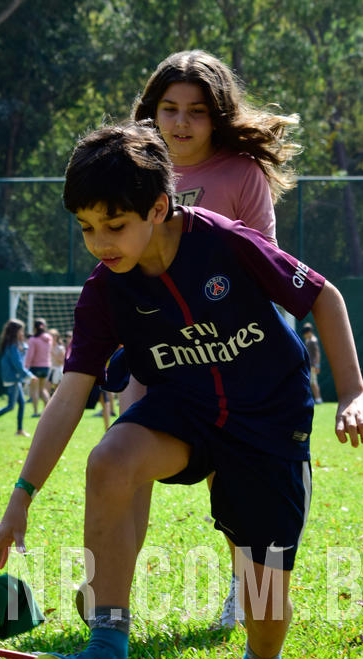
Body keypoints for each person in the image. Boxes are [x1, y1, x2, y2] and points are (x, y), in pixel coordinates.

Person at [0, 122, 363, 659]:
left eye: (114, 225)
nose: (99, 242)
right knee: (109, 460)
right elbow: (68, 396)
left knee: (264, 599)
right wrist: (20, 499)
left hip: (267, 420)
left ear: (159, 207)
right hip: (183, 410)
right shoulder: (103, 292)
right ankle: (107, 652)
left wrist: (354, 394)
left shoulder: (226, 244)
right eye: (86, 227)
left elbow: (325, 297)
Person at [123, 49, 301, 629]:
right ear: (151, 112)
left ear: (217, 116)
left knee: (235, 475)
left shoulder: (240, 175)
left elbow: (266, 269)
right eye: (169, 108)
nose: (180, 123)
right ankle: (112, 591)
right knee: (120, 457)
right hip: (156, 346)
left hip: (231, 352)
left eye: (196, 111)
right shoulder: (132, 170)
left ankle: (239, 583)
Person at [0, 319, 36, 437]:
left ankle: (19, 430)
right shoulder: (12, 346)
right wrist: (29, 375)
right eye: (21, 331)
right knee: (11, 406)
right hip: (13, 378)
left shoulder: (12, 344)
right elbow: (18, 364)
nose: (22, 333)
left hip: (14, 378)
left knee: (22, 403)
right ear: (16, 331)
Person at [24, 318, 53, 417]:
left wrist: (26, 366)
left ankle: (36, 412)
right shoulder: (49, 338)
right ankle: (48, 412)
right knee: (42, 390)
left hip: (35, 367)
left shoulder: (33, 339)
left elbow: (30, 355)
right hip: (46, 367)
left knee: (34, 391)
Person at [302, 322, 323, 404]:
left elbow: (317, 354)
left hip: (313, 365)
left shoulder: (313, 340)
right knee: (310, 382)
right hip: (308, 364)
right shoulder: (308, 340)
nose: (304, 334)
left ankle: (318, 399)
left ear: (309, 331)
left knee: (313, 383)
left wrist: (317, 365)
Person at [47, 328, 66, 394]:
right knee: (47, 389)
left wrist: (52, 352)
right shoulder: (47, 346)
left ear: (57, 337)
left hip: (57, 370)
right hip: (49, 369)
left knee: (56, 391)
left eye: (53, 335)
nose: (51, 337)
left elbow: (61, 361)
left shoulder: (60, 348)